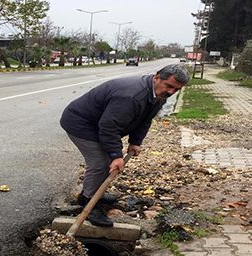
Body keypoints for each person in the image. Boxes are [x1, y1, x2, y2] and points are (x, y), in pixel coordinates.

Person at [60, 64, 190, 227]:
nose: (171, 92)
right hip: (80, 122)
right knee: (100, 163)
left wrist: (135, 142)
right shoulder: (132, 95)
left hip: (99, 124)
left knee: (106, 161)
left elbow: (145, 119)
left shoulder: (157, 94)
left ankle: (88, 195)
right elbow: (109, 126)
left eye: (176, 89)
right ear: (157, 77)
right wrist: (116, 155)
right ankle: (90, 204)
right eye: (169, 86)